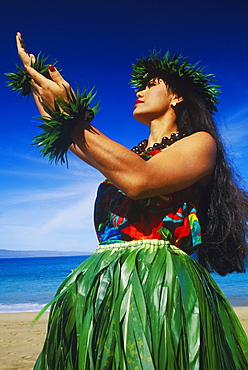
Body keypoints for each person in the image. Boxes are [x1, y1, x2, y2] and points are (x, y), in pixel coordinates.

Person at [15, 32, 248, 369]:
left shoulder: (200, 143)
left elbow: (141, 180)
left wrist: (72, 113)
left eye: (151, 85)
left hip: (159, 287)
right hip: (104, 282)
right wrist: (35, 79)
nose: (139, 91)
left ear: (177, 97)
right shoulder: (131, 155)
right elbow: (67, 133)